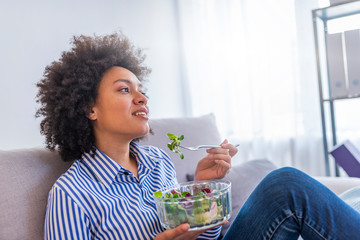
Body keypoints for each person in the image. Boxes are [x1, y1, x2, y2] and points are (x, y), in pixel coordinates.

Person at [36, 32, 360, 240]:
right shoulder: (72, 195)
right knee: (286, 184)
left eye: (142, 90)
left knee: (285, 184)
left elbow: (205, 237)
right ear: (89, 107)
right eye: (124, 90)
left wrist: (203, 193)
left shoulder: (158, 163)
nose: (142, 98)